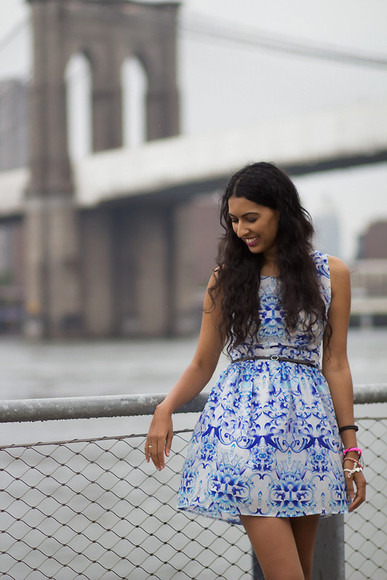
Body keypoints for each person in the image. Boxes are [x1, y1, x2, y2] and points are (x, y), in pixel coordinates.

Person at [145, 162, 366, 580]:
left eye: (251, 217)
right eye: (234, 220)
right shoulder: (226, 279)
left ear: (282, 211)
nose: (242, 229)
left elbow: (335, 363)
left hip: (310, 438)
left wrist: (350, 450)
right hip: (244, 437)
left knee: (301, 572)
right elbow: (202, 363)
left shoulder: (331, 274)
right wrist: (166, 406)